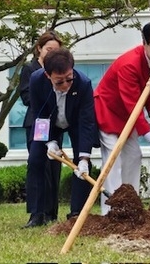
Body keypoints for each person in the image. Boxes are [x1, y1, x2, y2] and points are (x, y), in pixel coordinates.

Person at [94, 22, 150, 215]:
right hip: (110, 113)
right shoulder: (129, 64)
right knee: (113, 160)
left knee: (135, 155)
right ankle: (110, 212)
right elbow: (133, 104)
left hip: (130, 117)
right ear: (144, 43)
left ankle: (131, 208)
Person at [23, 48, 98, 227]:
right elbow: (38, 112)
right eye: (59, 81)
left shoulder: (84, 83)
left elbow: (87, 121)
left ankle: (76, 214)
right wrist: (49, 142)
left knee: (82, 167)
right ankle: (37, 214)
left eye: (69, 78)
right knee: (35, 160)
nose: (65, 85)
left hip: (76, 123)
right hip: (48, 122)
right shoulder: (36, 80)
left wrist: (84, 158)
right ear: (48, 75)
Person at [19, 30, 63, 223]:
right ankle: (37, 212)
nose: (52, 53)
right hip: (37, 122)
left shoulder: (60, 69)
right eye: (48, 49)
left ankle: (51, 212)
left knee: (53, 166)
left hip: (56, 123)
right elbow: (26, 96)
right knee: (37, 165)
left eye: (56, 50)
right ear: (39, 49)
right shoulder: (30, 69)